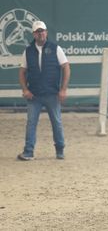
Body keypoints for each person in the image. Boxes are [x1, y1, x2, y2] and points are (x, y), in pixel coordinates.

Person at [17, 20, 71, 161]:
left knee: (57, 123)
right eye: (37, 31)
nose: (40, 33)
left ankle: (60, 150)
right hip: (33, 95)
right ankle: (28, 152)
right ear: (34, 34)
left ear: (46, 32)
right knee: (31, 123)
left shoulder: (56, 48)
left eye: (42, 31)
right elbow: (22, 72)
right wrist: (25, 89)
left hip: (52, 94)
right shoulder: (27, 51)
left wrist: (63, 89)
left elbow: (66, 67)